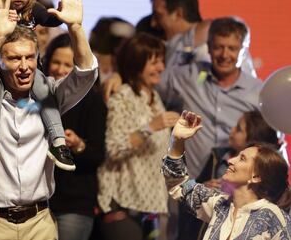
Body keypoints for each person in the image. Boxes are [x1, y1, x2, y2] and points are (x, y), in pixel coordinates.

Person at [0, 0, 98, 240]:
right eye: (14, 58)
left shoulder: (51, 97)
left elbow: (85, 74)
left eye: (29, 57)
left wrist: (76, 27)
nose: (24, 66)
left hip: (39, 223)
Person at [103, 17, 263, 179]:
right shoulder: (189, 77)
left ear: (243, 50)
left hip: (235, 189)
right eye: (218, 47)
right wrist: (119, 75)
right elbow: (146, 74)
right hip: (188, 187)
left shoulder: (257, 92)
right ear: (208, 47)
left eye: (232, 48)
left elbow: (269, 146)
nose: (224, 54)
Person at [0, 0, 75, 171]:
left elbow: (52, 21)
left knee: (44, 90)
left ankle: (58, 142)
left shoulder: (34, 10)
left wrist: (61, 13)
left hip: (30, 70)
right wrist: (2, 22)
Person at [97, 33, 179, 240]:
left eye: (161, 61)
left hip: (152, 205)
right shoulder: (123, 96)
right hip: (124, 203)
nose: (160, 67)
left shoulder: (155, 97)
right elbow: (114, 149)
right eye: (154, 62)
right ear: (136, 64)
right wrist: (151, 127)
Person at [162, 110, 291, 239]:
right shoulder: (218, 203)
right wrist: (177, 140)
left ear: (256, 177)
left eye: (242, 158)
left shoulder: (276, 219)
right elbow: (178, 184)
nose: (230, 160)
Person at [44, 33, 106, 240]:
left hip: (74, 204)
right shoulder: (35, 96)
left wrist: (78, 145)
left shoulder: (93, 102)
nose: (60, 70)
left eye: (68, 65)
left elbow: (98, 156)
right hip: (37, 202)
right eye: (56, 62)